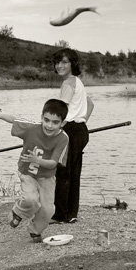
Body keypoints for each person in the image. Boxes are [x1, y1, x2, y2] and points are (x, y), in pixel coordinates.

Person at [0, 99, 69, 243]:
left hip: (47, 177)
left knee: (48, 210)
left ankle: (35, 230)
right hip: (27, 172)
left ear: (62, 123)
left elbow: (53, 163)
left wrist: (37, 160)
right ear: (41, 117)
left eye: (55, 122)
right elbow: (15, 120)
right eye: (46, 120)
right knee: (31, 199)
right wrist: (0, 114)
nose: (49, 125)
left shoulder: (63, 139)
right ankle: (18, 212)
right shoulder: (32, 128)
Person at [51, 48, 94, 224]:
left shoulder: (68, 83)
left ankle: (60, 215)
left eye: (65, 62)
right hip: (80, 131)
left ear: (72, 64)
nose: (60, 65)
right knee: (73, 173)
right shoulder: (77, 82)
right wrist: (82, 120)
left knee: (62, 173)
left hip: (69, 130)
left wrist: (50, 130)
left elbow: (60, 110)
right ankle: (71, 213)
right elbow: (90, 104)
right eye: (58, 62)